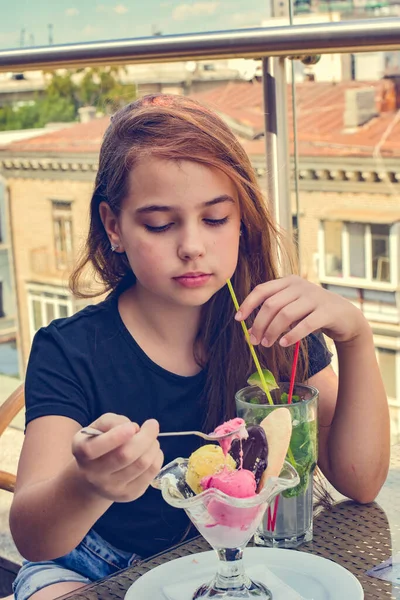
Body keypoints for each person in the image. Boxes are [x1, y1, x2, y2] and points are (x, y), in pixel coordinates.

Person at [10, 94, 390, 600]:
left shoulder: (269, 325)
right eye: (160, 224)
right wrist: (89, 485)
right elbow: (34, 537)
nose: (192, 245)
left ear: (241, 222)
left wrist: (356, 336)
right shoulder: (70, 349)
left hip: (241, 562)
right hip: (91, 564)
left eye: (214, 219)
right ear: (112, 226)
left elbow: (361, 482)